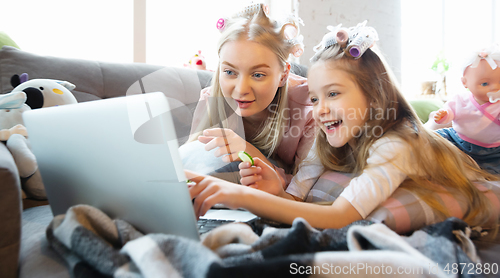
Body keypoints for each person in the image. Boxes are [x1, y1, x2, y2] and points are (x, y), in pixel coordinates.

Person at [185, 22, 499, 230]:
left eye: (332, 94)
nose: (319, 111)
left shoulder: (396, 145)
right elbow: (297, 200)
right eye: (314, 98)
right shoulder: (329, 137)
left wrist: (236, 195)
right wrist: (276, 191)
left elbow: (339, 217)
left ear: (374, 95)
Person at [184, 3, 315, 186]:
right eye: (230, 72)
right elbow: (193, 161)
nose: (241, 89)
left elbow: (304, 192)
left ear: (283, 75)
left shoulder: (311, 109)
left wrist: (247, 150)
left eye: (258, 75)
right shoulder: (211, 98)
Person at [430, 44, 500, 174]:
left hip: (493, 151)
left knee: (493, 171)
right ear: (465, 82)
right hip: (458, 140)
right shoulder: (460, 99)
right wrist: (444, 115)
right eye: (485, 84)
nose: (495, 88)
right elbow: (450, 113)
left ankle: (477, 172)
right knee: (434, 139)